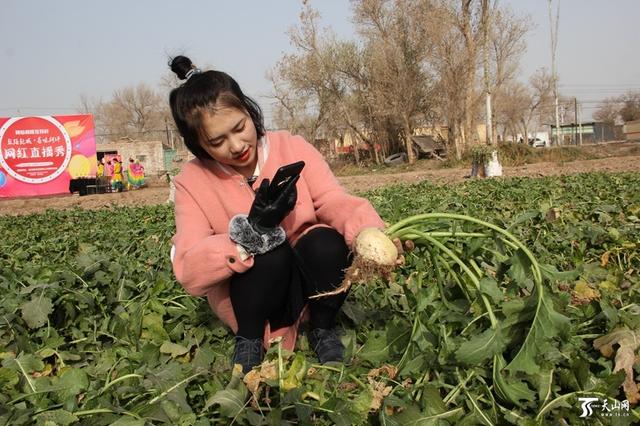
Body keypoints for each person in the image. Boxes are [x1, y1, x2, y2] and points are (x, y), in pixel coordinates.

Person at [168, 55, 398, 374]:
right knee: (269, 250)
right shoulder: (192, 182)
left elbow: (331, 199)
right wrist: (251, 233)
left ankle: (322, 326)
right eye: (218, 141)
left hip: (309, 282)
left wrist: (367, 232)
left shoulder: (292, 147)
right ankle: (248, 340)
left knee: (326, 242)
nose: (236, 146)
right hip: (253, 300)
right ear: (199, 146)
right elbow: (190, 269)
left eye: (240, 127)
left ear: (250, 111)